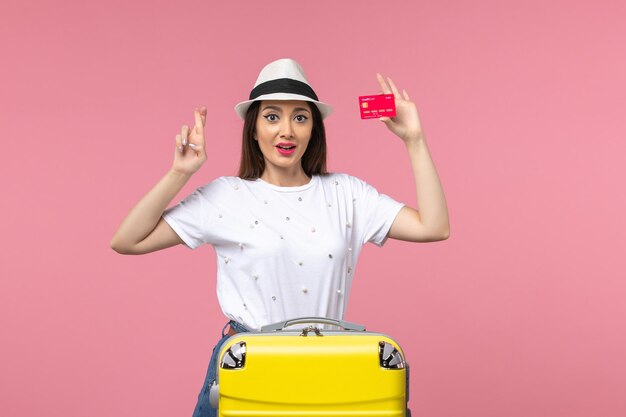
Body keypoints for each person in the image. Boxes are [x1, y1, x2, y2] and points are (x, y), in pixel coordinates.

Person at [110, 58, 449, 417]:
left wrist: (415, 140)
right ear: (253, 129)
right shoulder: (225, 196)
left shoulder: (347, 194)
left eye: (300, 117)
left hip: (327, 367)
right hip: (248, 364)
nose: (286, 130)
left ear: (313, 130)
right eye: (272, 117)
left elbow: (433, 226)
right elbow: (127, 240)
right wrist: (180, 173)